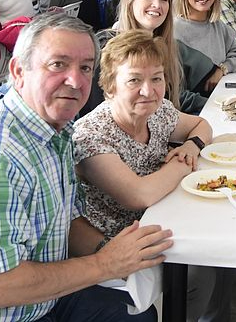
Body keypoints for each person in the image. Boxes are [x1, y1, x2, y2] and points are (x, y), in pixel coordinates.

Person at [0, 14, 172, 321]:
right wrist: (106, 264)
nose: (76, 80)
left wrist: (118, 250)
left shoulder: (57, 132)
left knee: (138, 312)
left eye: (85, 67)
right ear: (18, 71)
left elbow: (63, 223)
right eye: (58, 64)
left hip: (40, 300)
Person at [73, 30, 225, 320]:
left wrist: (192, 145)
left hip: (163, 217)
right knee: (199, 270)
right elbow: (139, 194)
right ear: (110, 86)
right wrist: (183, 164)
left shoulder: (158, 112)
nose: (148, 90)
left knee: (213, 257)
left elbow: (202, 125)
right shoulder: (91, 135)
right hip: (115, 246)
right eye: (134, 80)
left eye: (156, 78)